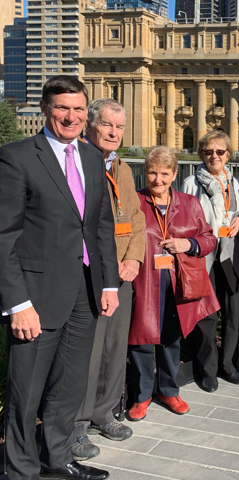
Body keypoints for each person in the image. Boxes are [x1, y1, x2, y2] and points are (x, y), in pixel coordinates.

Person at [0, 76, 119, 480]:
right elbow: (3, 237)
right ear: (45, 109)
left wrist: (108, 283)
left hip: (85, 293)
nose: (72, 116)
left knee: (69, 386)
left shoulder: (90, 157)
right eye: (63, 108)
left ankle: (57, 459)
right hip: (36, 299)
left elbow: (100, 225)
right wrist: (17, 304)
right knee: (26, 392)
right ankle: (19, 472)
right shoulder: (16, 157)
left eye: (79, 109)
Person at [72, 98, 145, 461]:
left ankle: (105, 413)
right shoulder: (79, 165)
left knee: (115, 350)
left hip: (122, 276)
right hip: (92, 275)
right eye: (107, 125)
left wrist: (133, 259)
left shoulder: (124, 169)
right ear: (90, 126)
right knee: (88, 352)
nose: (114, 133)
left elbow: (136, 218)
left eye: (119, 127)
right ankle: (77, 425)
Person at [127, 146, 220, 421]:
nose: (158, 179)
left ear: (175, 174)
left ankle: (169, 390)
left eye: (164, 173)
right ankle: (142, 395)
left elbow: (209, 239)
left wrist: (188, 244)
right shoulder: (134, 202)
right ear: (145, 173)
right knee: (141, 339)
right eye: (152, 173)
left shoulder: (189, 203)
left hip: (177, 282)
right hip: (143, 282)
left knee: (171, 338)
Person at [181, 131, 239, 392]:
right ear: (201, 154)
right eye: (209, 151)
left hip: (230, 254)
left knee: (233, 311)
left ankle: (228, 364)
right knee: (207, 314)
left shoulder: (237, 184)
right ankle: (207, 369)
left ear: (228, 155)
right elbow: (183, 220)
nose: (214, 156)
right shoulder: (190, 183)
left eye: (220, 152)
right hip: (204, 256)